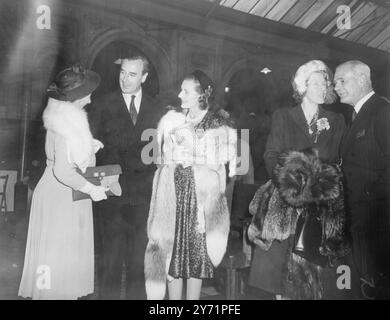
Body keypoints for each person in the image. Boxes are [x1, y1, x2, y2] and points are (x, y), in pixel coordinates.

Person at [248, 60, 347, 299]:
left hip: (319, 206)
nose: (323, 87)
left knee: (313, 277)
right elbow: (271, 155)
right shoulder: (283, 116)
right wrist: (292, 185)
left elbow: (337, 162)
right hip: (285, 201)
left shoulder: (336, 121)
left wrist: (317, 185)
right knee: (280, 279)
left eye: (325, 82)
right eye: (316, 83)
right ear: (302, 86)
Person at [144, 70, 237, 300]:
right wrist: (171, 159)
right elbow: (160, 158)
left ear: (201, 94)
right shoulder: (173, 120)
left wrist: (195, 159)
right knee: (172, 254)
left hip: (200, 200)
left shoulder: (217, 122)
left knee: (195, 255)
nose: (180, 94)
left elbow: (222, 164)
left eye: (186, 91)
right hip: (173, 196)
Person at [18, 64, 106, 300]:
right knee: (58, 266)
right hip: (61, 196)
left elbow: (67, 156)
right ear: (77, 95)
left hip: (63, 194)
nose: (91, 95)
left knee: (59, 265)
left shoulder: (66, 117)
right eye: (88, 90)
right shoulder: (66, 123)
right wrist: (92, 189)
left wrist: (89, 147)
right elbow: (63, 171)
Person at [89, 51, 164, 299]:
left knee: (137, 267)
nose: (125, 79)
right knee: (109, 265)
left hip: (144, 199)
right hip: (112, 200)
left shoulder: (158, 108)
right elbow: (91, 152)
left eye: (132, 74)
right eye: (122, 73)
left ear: (144, 77)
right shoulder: (101, 104)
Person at [335, 60, 390, 299]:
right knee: (357, 283)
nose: (336, 87)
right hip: (357, 217)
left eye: (342, 80)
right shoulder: (356, 115)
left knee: (376, 285)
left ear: (361, 79)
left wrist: (372, 198)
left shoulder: (382, 110)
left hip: (376, 219)